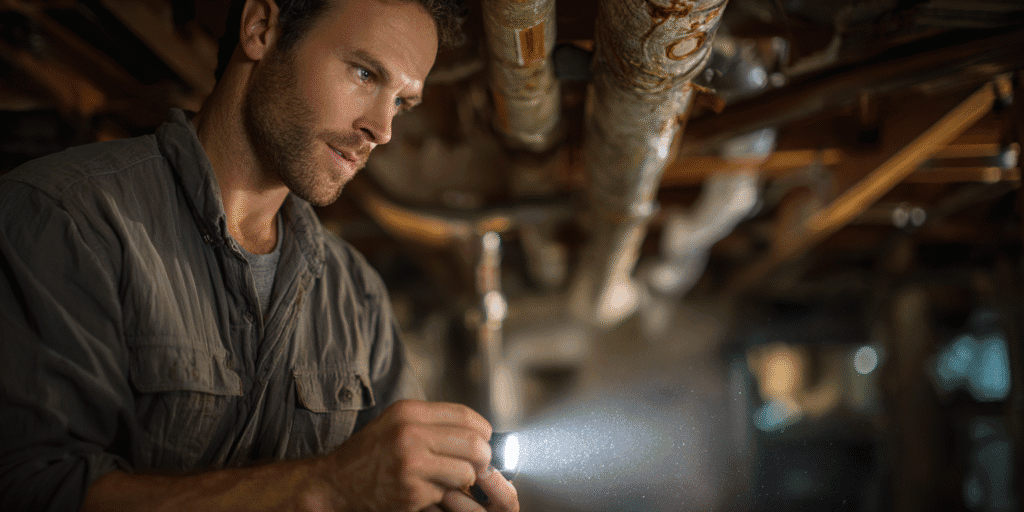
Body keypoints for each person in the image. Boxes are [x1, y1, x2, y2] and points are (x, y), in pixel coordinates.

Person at [0, 0, 519, 511]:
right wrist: (328, 488)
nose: (382, 129)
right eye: (365, 73)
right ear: (260, 27)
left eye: (402, 102)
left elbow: (393, 488)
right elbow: (34, 489)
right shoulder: (66, 217)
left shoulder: (356, 295)